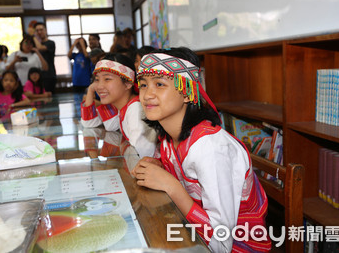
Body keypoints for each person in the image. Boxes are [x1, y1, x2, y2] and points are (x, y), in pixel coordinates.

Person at [132, 48, 272, 252]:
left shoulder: (210, 149)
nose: (147, 94)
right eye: (143, 85)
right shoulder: (168, 138)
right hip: (190, 233)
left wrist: (172, 186)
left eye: (159, 84)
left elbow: (222, 243)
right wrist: (159, 166)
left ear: (188, 92)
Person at [81, 53, 157, 158]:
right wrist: (90, 90)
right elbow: (90, 124)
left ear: (127, 84)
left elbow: (144, 158)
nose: (99, 86)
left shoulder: (136, 110)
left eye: (107, 79)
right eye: (97, 79)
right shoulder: (122, 106)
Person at [33, 22, 57, 93]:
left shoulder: (51, 43)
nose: (39, 32)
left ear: (45, 30)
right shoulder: (35, 44)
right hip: (38, 75)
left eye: (41, 30)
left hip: (49, 75)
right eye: (37, 30)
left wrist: (33, 36)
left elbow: (40, 47)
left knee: (49, 99)